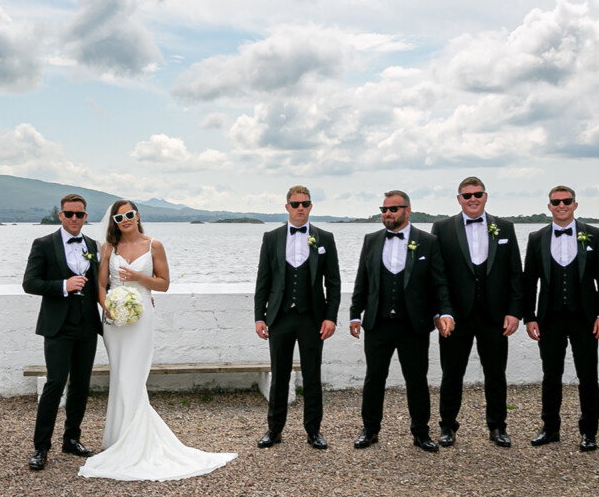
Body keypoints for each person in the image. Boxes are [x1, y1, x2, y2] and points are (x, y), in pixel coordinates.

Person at [78, 201, 236, 480]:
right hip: (115, 320)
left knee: (134, 377)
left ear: (137, 215)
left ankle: (136, 442)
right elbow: (101, 285)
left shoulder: (154, 246)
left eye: (129, 214)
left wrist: (139, 277)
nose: (125, 219)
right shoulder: (108, 248)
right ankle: (117, 440)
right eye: (119, 216)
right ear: (114, 220)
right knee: (120, 375)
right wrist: (109, 308)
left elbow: (164, 283)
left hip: (142, 316)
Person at [349, 190, 452, 452]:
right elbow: (362, 280)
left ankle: (421, 432)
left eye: (393, 209)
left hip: (413, 324)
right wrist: (354, 313)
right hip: (377, 323)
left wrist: (445, 312)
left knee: (416, 380)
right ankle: (370, 430)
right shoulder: (371, 240)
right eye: (384, 209)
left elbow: (439, 283)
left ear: (407, 210)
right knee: (374, 378)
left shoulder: (428, 242)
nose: (387, 214)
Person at [431, 176, 522, 448]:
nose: (473, 199)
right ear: (459, 198)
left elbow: (515, 273)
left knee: (496, 374)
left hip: (494, 316)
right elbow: (438, 275)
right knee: (451, 374)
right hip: (455, 317)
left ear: (485, 196)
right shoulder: (442, 228)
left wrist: (514, 311)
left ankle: (498, 427)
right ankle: (447, 427)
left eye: (478, 194)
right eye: (467, 195)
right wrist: (441, 312)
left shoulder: (504, 228)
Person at [522, 185, 599, 452]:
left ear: (575, 204)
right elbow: (529, 281)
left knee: (588, 375)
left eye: (566, 201)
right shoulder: (536, 237)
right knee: (551, 375)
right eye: (556, 202)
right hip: (549, 318)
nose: (561, 205)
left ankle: (589, 432)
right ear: (549, 206)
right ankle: (550, 428)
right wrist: (530, 317)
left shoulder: (593, 235)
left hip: (585, 318)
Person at [253, 185, 341, 450]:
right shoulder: (272, 237)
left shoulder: (324, 237)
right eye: (295, 204)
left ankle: (313, 431)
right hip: (279, 316)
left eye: (305, 203)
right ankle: (274, 430)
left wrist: (331, 317)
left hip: (312, 317)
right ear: (287, 207)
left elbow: (334, 283)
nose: (300, 207)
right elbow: (263, 280)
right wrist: (260, 316)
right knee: (280, 374)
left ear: (311, 206)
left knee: (312, 375)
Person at [22, 193, 102, 471]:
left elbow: (101, 284)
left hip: (87, 325)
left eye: (79, 214)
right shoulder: (43, 244)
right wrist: (62, 286)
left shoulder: (93, 245)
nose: (74, 219)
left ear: (85, 217)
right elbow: (30, 283)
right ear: (60, 215)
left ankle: (72, 439)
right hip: (57, 325)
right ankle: (41, 447)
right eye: (69, 214)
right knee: (55, 384)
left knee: (81, 385)